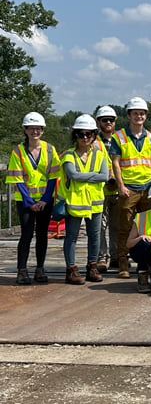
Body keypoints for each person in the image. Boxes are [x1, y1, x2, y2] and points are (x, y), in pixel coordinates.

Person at [6, 112, 60, 285]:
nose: (35, 131)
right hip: (25, 202)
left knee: (42, 235)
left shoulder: (50, 150)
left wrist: (44, 199)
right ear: (25, 130)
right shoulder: (18, 152)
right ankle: (22, 270)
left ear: (43, 130)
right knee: (26, 235)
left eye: (38, 128)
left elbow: (54, 177)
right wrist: (29, 202)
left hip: (45, 200)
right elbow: (17, 178)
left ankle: (40, 268)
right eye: (31, 128)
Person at [110, 97, 151, 279]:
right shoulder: (119, 137)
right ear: (129, 115)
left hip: (147, 189)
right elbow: (115, 163)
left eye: (142, 113)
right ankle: (123, 264)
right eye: (135, 113)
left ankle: (147, 264)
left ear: (146, 116)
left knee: (148, 228)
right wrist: (121, 186)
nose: (139, 116)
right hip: (128, 189)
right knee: (124, 227)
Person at [59, 115, 109, 284]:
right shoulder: (68, 155)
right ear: (76, 136)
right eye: (81, 134)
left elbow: (105, 177)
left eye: (89, 134)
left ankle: (92, 267)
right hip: (75, 202)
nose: (85, 137)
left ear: (94, 135)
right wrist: (94, 176)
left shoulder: (100, 155)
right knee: (71, 236)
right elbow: (72, 175)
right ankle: (71, 269)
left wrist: (83, 177)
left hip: (95, 203)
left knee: (94, 236)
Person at [93, 106, 119, 272]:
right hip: (99, 190)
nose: (108, 122)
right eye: (105, 120)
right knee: (100, 227)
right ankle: (102, 257)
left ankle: (116, 257)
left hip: (118, 189)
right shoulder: (92, 141)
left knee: (117, 226)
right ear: (98, 122)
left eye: (111, 120)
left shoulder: (121, 139)